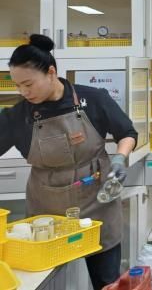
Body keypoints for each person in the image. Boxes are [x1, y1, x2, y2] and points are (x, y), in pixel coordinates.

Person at [0, 35, 138, 289]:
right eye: (18, 86)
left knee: (107, 281)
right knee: (50, 281)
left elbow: (127, 133)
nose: (23, 92)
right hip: (48, 214)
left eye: (28, 84)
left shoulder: (93, 99)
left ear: (51, 72)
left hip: (98, 205)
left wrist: (120, 158)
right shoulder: (19, 116)